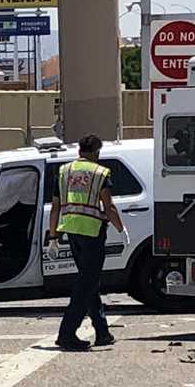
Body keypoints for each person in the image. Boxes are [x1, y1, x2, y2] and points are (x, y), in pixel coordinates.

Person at [47, 134, 125, 351]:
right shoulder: (100, 173)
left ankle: (102, 332)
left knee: (89, 283)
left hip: (71, 231)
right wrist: (121, 228)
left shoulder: (64, 171)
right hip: (92, 232)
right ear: (97, 152)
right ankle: (66, 334)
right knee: (86, 285)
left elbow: (55, 207)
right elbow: (108, 207)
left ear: (79, 150)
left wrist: (53, 236)